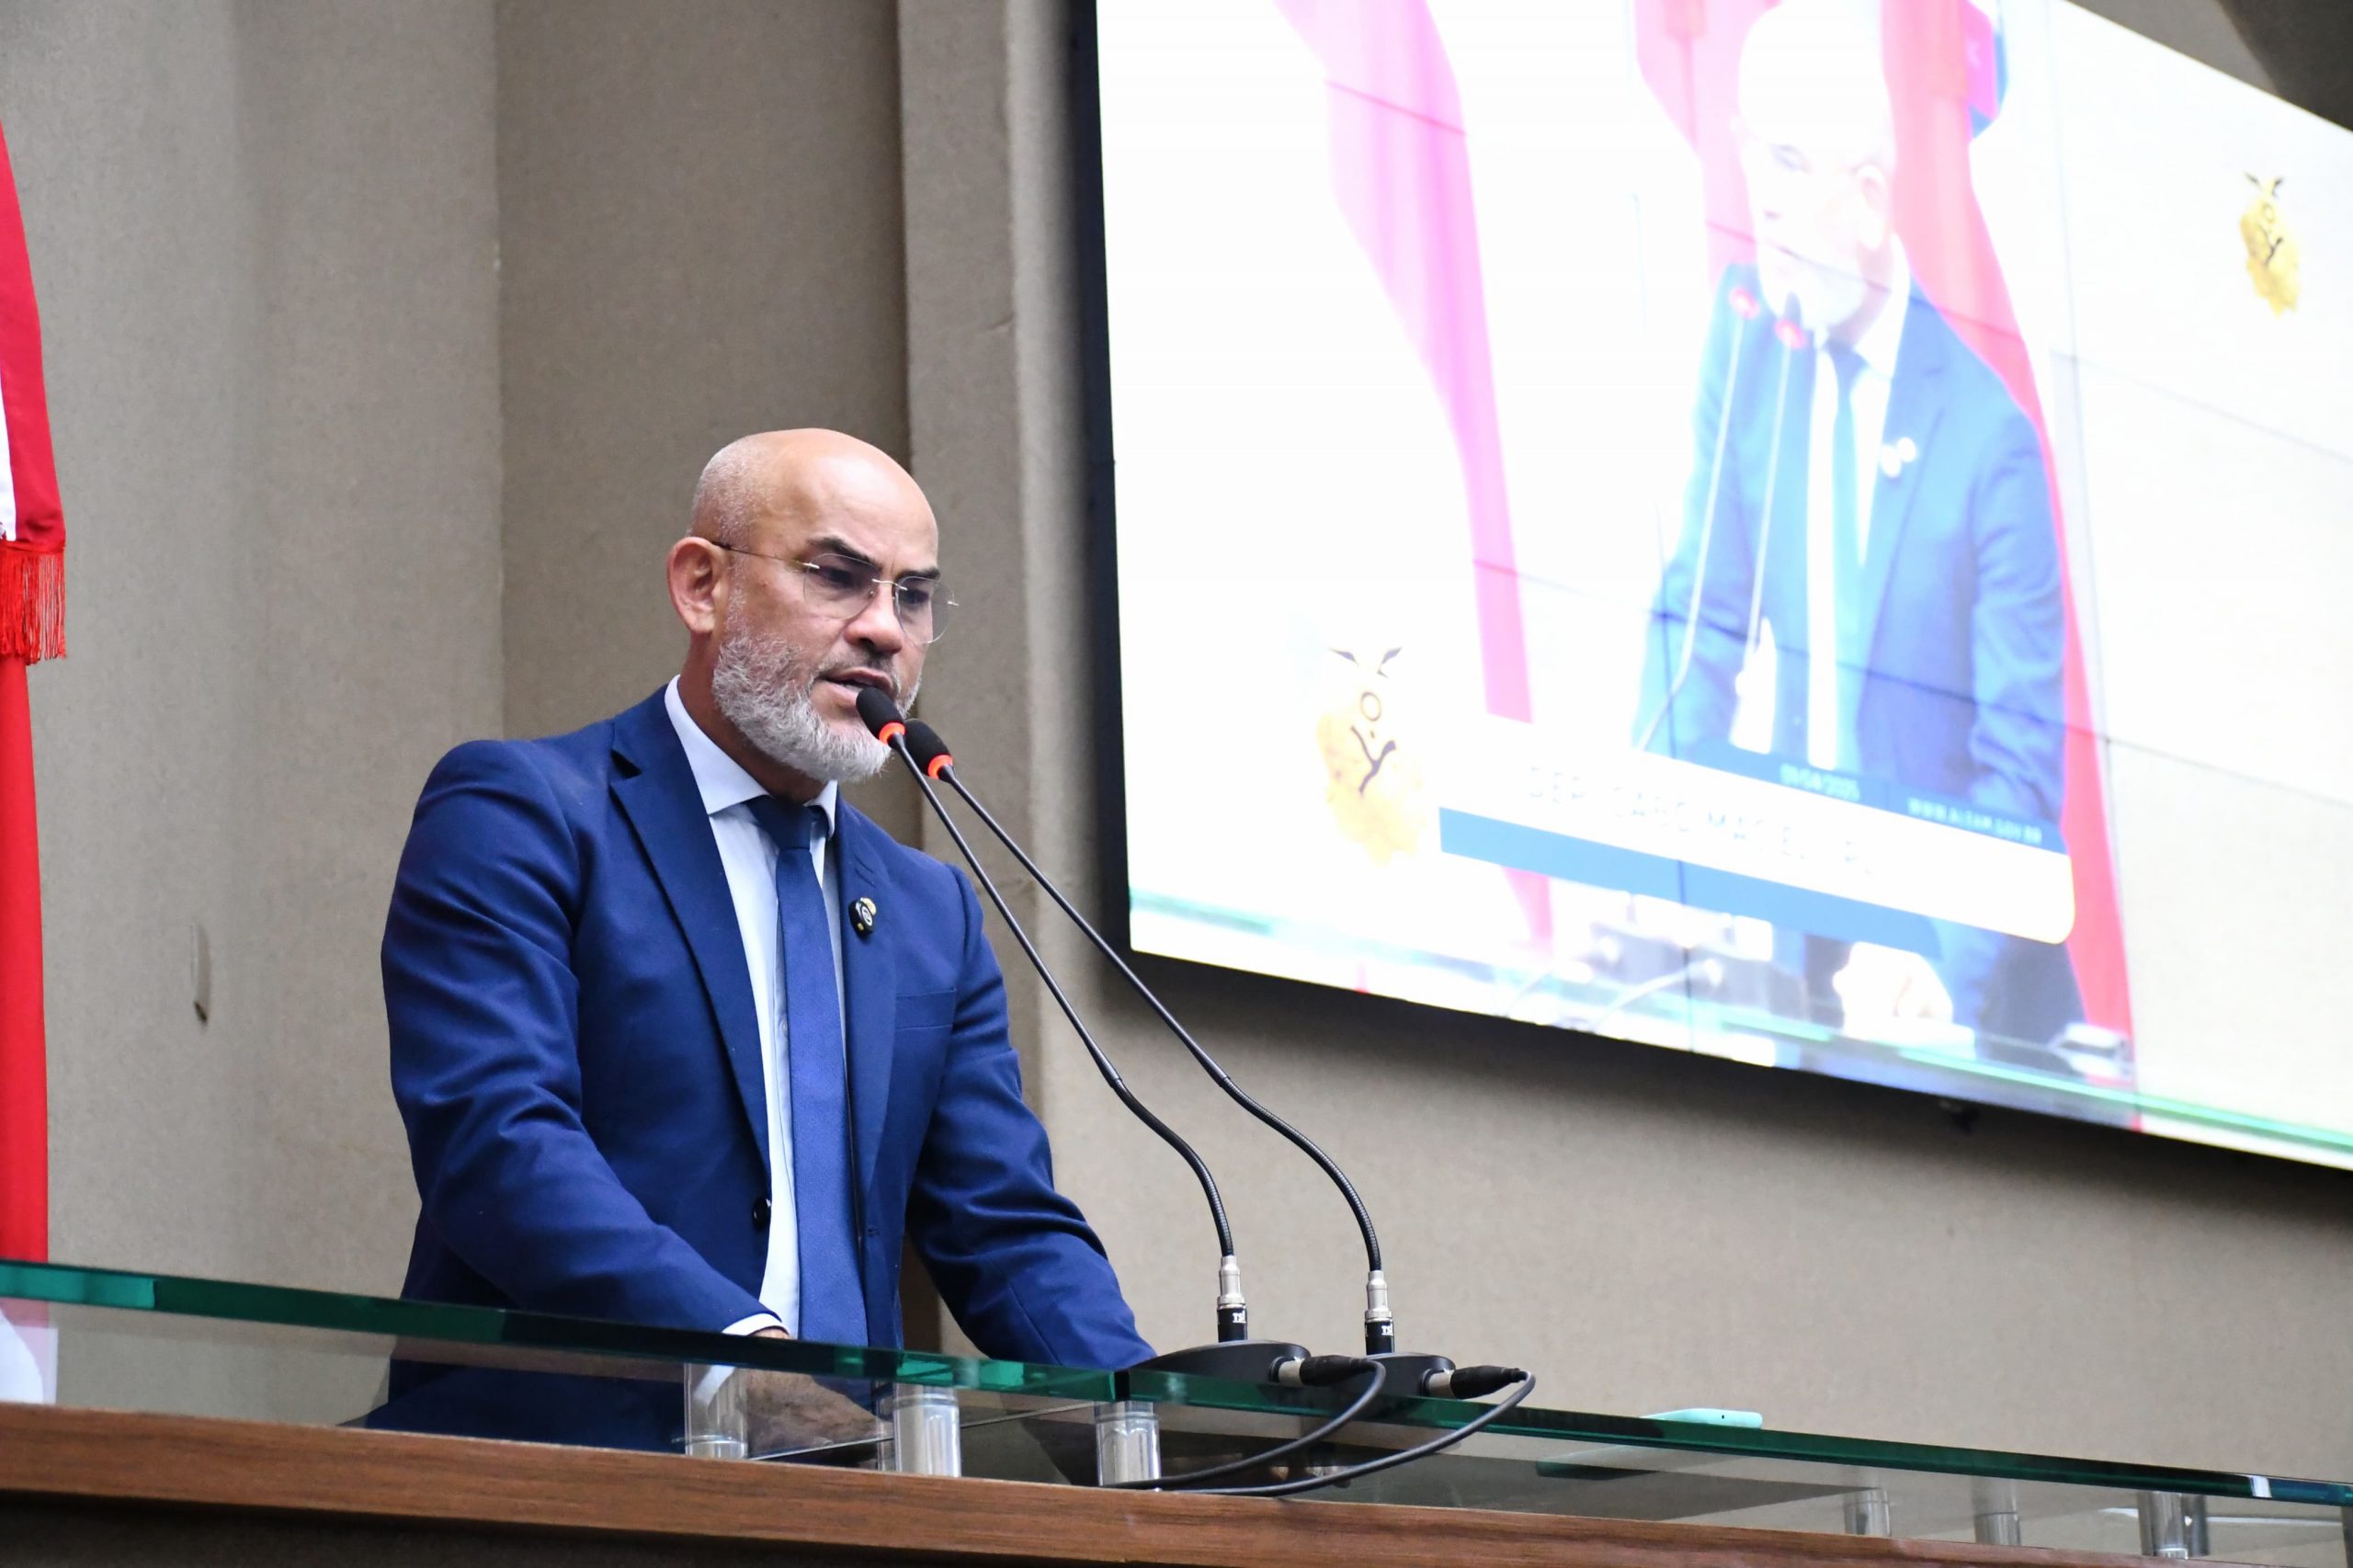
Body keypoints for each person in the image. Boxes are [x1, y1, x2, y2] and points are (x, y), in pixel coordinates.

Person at [374, 428, 1150, 1449]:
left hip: (842, 1496)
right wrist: (736, 1350)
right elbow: (497, 1140)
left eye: (912, 597)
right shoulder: (525, 811)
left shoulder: (931, 912)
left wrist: (1155, 1433)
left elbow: (1004, 1229)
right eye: (838, 577)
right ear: (703, 586)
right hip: (558, 1477)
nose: (882, 630)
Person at [1636, 0, 2081, 1051]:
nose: (1766, 208)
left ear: (1872, 201)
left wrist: (1932, 943)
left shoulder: (1988, 443)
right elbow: (1696, 624)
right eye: (1757, 158)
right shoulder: (1748, 342)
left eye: (1792, 165)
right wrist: (1656, 835)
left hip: (1955, 1007)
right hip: (1795, 968)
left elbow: (2018, 770)